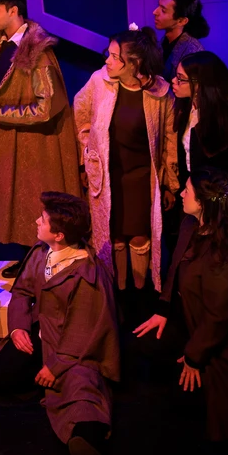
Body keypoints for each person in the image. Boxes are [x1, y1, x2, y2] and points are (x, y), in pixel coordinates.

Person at [133, 167, 228, 447]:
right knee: (144, 342)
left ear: (203, 203)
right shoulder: (191, 225)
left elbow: (218, 318)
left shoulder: (223, 256)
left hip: (221, 345)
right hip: (191, 321)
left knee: (186, 401)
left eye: (187, 190)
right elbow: (176, 266)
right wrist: (163, 309)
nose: (180, 193)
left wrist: (193, 357)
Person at [0, 192, 120, 455]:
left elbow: (82, 331)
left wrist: (56, 366)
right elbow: (22, 292)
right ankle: (44, 380)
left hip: (74, 348)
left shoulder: (86, 274)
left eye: (44, 219)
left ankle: (87, 437)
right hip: (42, 334)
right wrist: (18, 329)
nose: (37, 221)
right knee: (2, 372)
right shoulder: (40, 254)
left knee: (80, 386)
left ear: (59, 234)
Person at [0, 0, 81, 276]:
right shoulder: (2, 45)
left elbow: (45, 108)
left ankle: (45, 262)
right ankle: (32, 259)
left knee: (35, 197)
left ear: (13, 11)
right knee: (21, 198)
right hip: (15, 138)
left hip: (37, 141)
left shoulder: (38, 52)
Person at [73, 25, 178, 306]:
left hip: (141, 177)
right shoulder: (99, 81)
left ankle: (141, 293)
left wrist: (170, 183)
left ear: (134, 63)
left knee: (139, 235)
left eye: (114, 56)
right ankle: (117, 292)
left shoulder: (160, 92)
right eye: (108, 54)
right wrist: (88, 154)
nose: (107, 61)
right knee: (113, 233)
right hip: (109, 175)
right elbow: (80, 110)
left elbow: (169, 138)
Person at [168, 51, 228, 296]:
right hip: (192, 203)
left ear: (200, 84)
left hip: (218, 213)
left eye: (180, 79)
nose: (173, 83)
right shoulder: (185, 109)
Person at [153, 0, 210, 82]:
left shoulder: (192, 51)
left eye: (163, 10)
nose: (154, 12)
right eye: (158, 6)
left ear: (181, 21)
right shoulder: (163, 42)